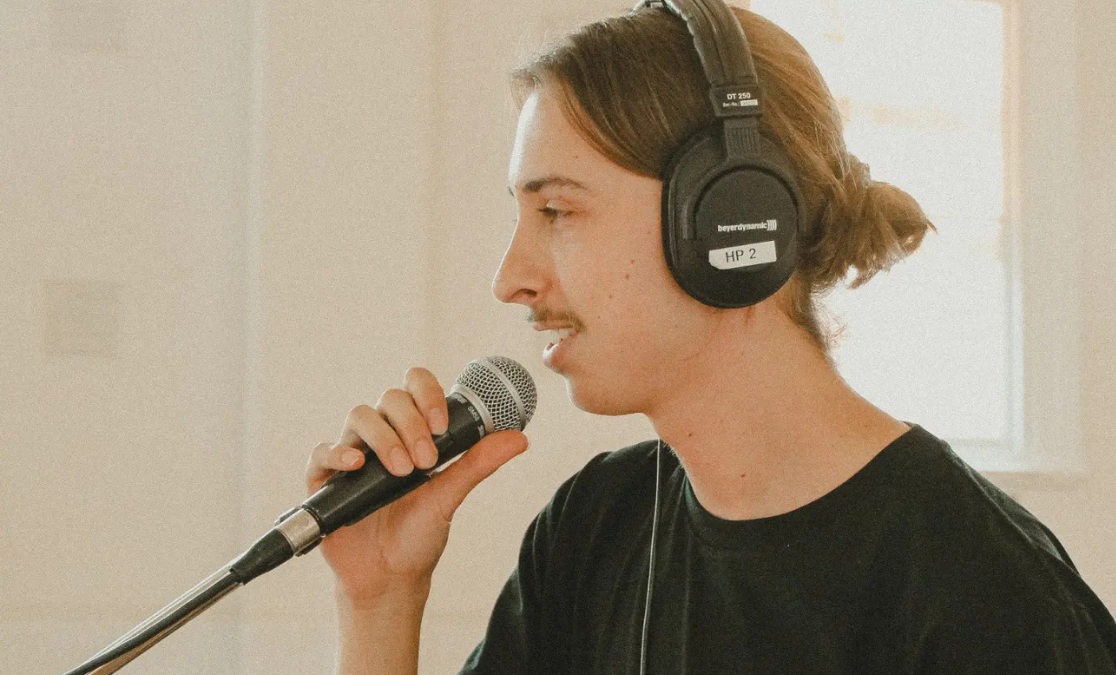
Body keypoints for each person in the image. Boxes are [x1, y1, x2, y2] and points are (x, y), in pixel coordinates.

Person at [305, 3, 1116, 674]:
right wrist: (382, 601)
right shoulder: (594, 529)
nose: (510, 277)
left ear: (731, 221)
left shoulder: (990, 598)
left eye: (556, 211)